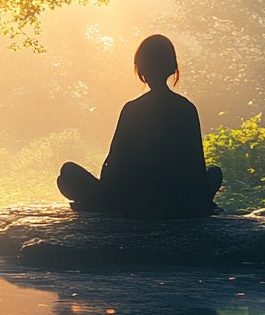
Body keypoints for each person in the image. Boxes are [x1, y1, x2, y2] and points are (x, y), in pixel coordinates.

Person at [57, 34, 222, 218]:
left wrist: (104, 194)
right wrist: (199, 199)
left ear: (141, 68)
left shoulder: (133, 109)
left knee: (67, 171)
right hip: (180, 201)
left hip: (133, 200)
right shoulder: (187, 108)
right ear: (172, 68)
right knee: (214, 173)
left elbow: (115, 164)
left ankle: (105, 203)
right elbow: (197, 166)